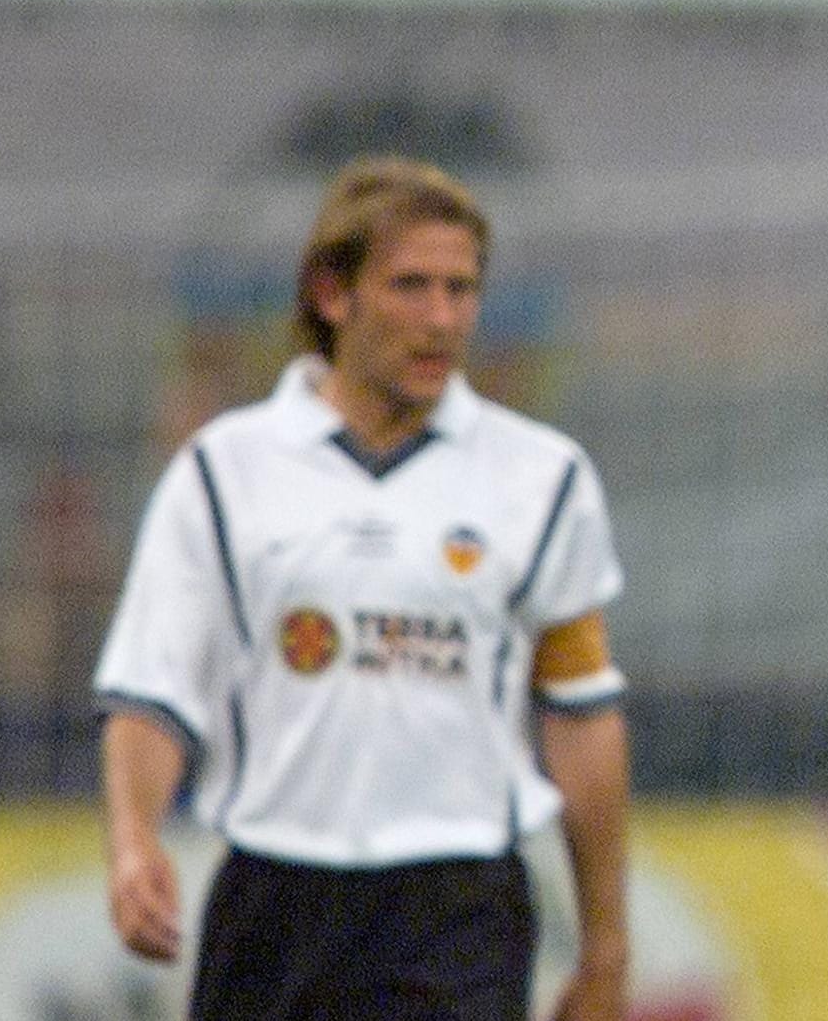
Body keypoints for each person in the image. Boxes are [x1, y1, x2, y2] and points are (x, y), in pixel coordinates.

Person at [93, 156, 631, 1021]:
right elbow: (153, 690)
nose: (442, 319)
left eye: (462, 290)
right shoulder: (224, 471)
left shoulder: (542, 478)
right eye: (411, 287)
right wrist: (132, 844)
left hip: (457, 902)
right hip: (275, 893)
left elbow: (582, 716)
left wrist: (606, 948)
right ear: (332, 294)